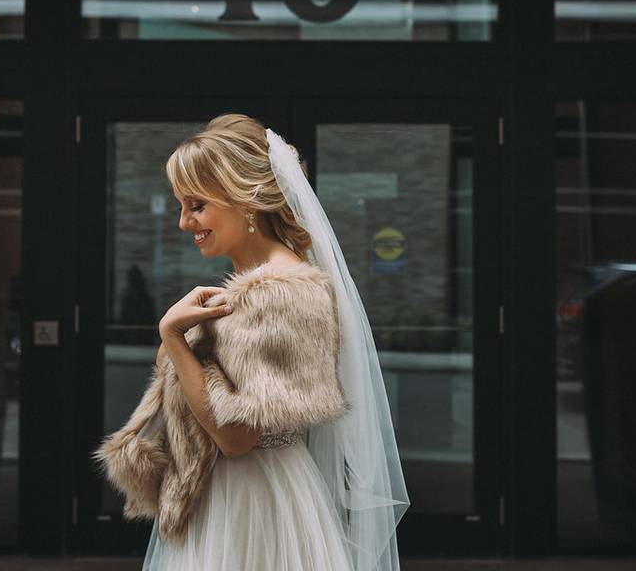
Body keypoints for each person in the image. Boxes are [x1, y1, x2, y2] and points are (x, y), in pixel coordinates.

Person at [94, 113, 408, 570]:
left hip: (252, 504)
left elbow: (236, 437)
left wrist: (173, 339)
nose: (184, 222)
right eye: (181, 205)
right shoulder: (258, 287)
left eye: (196, 205)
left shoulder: (279, 293)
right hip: (237, 493)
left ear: (244, 200)